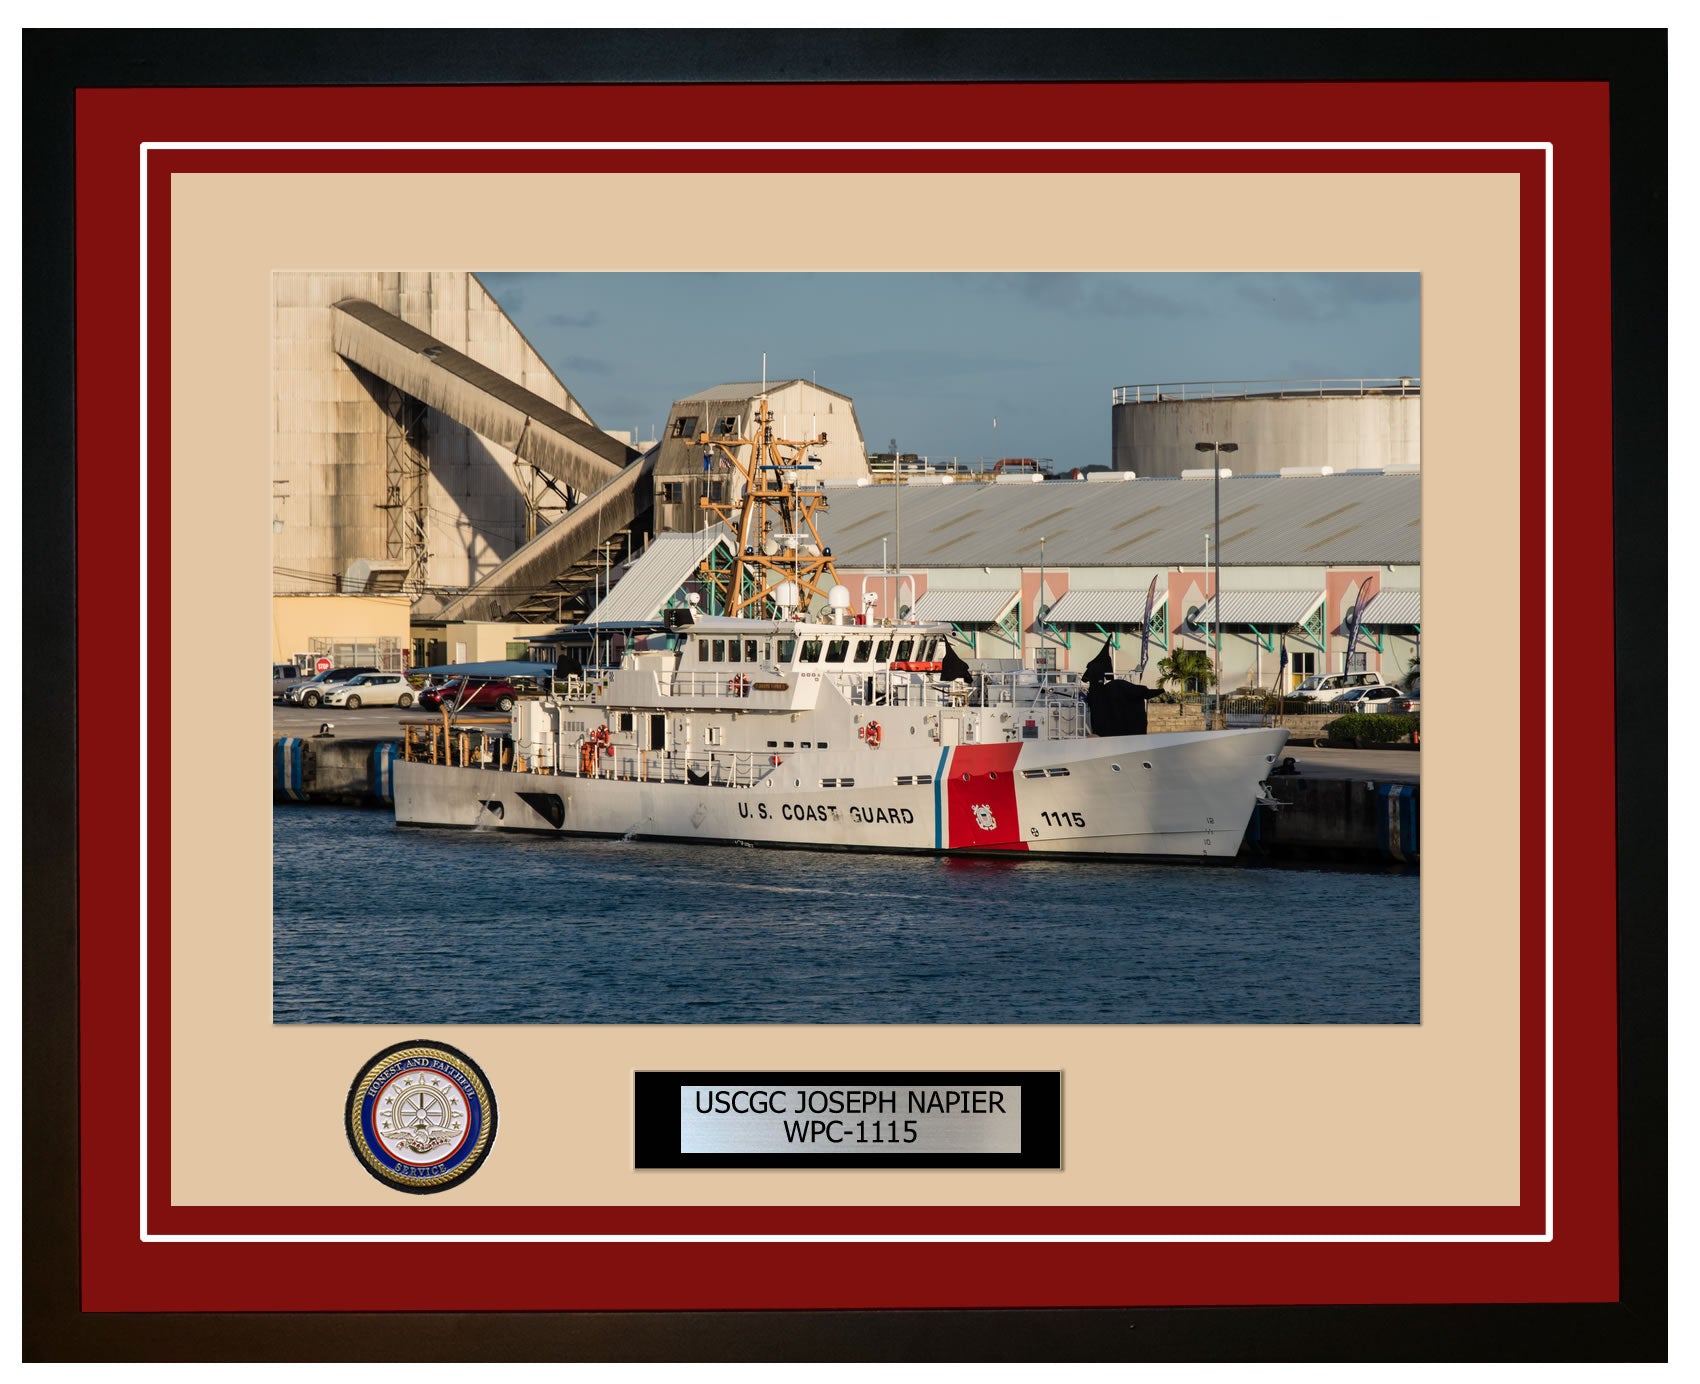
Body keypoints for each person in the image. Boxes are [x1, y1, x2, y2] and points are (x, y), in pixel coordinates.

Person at [1080, 638, 1164, 736]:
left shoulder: (1096, 671)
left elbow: (1088, 680)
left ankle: (1144, 692)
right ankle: (1144, 692)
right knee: (1120, 686)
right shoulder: (1100, 676)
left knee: (1120, 686)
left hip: (1105, 695)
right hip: (1105, 694)